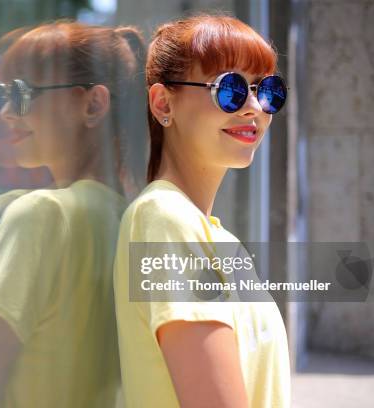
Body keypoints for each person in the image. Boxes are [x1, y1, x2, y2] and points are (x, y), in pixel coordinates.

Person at [0, 20, 146, 408]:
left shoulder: (39, 215)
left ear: (94, 104)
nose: (2, 112)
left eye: (19, 93)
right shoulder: (134, 220)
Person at [113, 14, 291, 408]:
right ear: (163, 103)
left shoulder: (213, 235)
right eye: (229, 89)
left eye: (268, 91)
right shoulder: (165, 219)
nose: (253, 108)